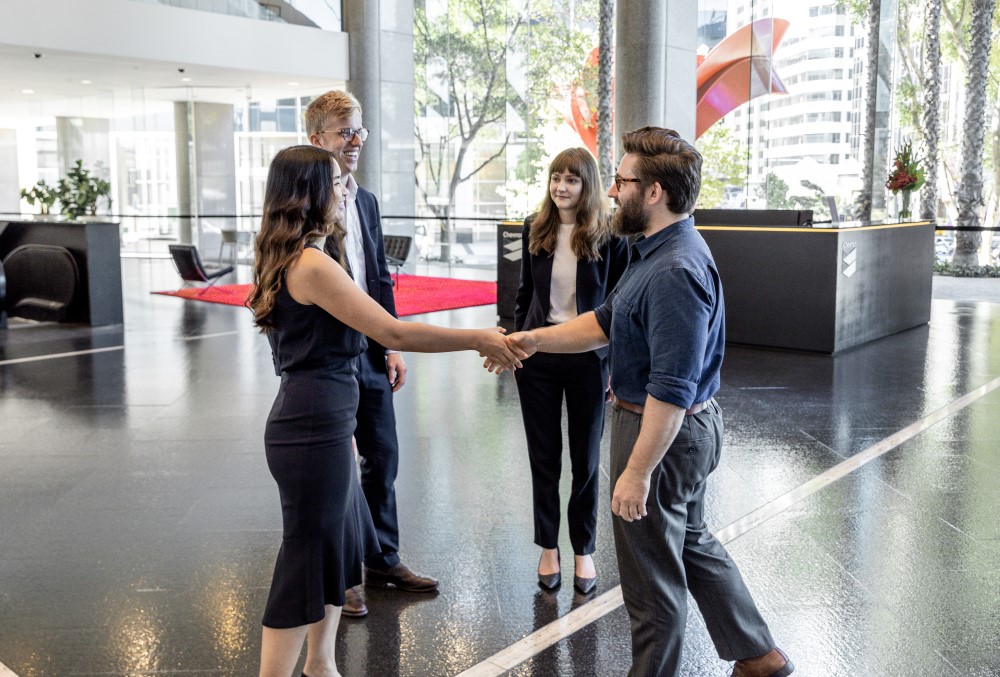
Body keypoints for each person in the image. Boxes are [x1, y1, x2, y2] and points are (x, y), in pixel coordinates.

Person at [497, 127, 793, 677]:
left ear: (653, 192)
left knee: (650, 584)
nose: (610, 190)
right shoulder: (652, 249)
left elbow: (672, 388)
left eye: (622, 181)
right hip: (677, 433)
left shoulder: (675, 270)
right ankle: (759, 656)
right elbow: (606, 321)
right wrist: (533, 339)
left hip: (660, 433)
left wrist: (636, 471)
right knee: (692, 545)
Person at [248, 145, 520, 677]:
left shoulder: (297, 253)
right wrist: (477, 339)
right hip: (311, 422)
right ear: (308, 191)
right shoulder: (310, 264)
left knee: (340, 543)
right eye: (333, 180)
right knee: (306, 558)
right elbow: (392, 331)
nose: (343, 188)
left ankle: (321, 664)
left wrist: (343, 429)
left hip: (325, 416)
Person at [305, 90, 434, 619]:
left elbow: (377, 279)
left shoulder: (367, 200)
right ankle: (341, 574)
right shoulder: (304, 201)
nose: (355, 141)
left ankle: (382, 559)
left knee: (382, 458)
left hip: (368, 351)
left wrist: (390, 346)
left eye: (359, 130)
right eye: (344, 132)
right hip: (327, 357)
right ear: (316, 138)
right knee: (336, 470)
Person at [513, 147, 627, 594]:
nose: (561, 187)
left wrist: (614, 369)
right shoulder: (534, 227)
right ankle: (548, 547)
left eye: (572, 180)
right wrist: (519, 346)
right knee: (544, 459)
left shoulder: (609, 235)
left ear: (587, 185)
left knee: (585, 460)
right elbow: (525, 296)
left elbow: (618, 311)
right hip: (538, 359)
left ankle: (583, 549)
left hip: (588, 361)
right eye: (556, 178)